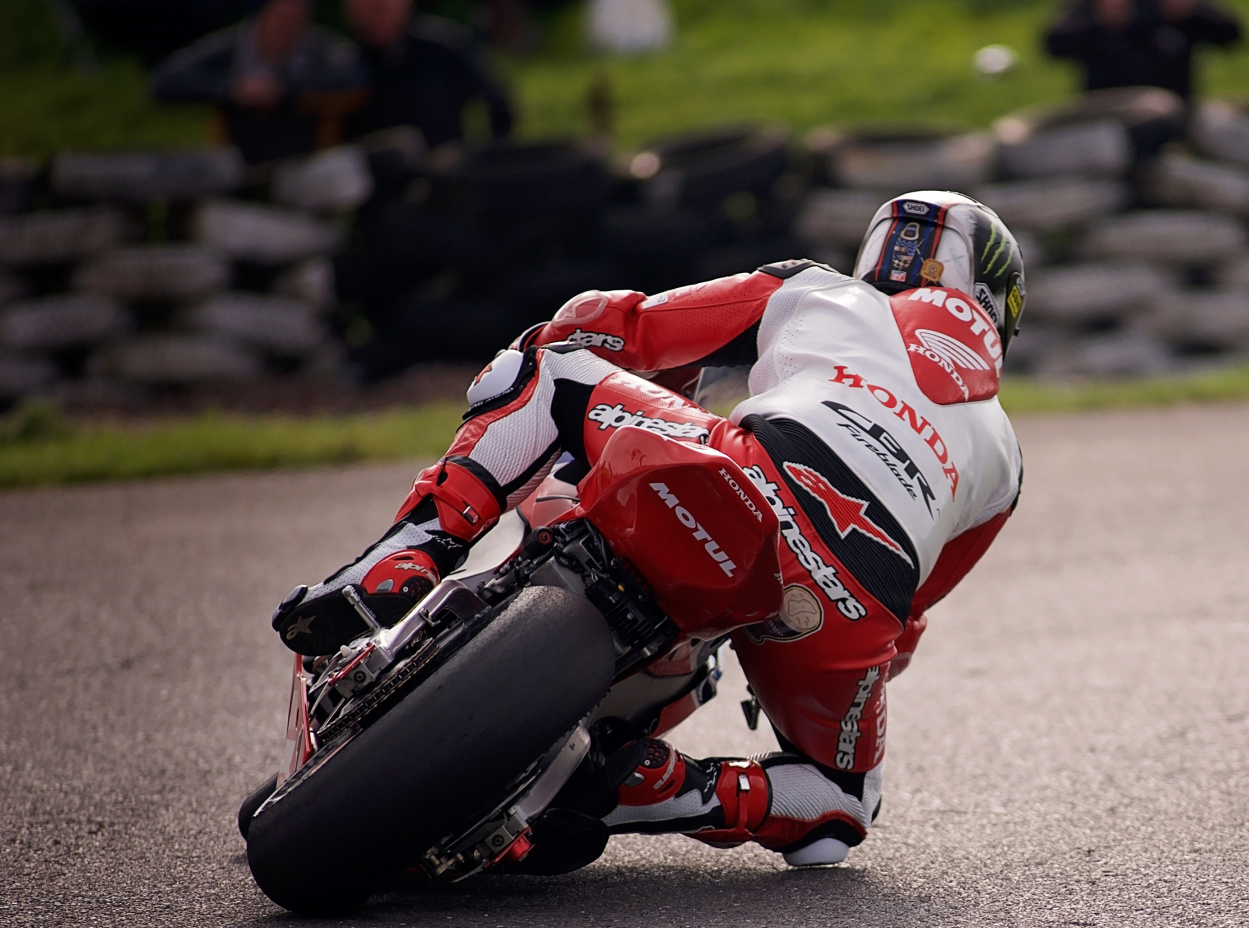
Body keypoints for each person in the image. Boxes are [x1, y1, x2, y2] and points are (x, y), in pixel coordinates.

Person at [271, 191, 1026, 870]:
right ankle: (672, 789)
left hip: (748, 471)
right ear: (997, 302)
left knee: (545, 369)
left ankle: (410, 552)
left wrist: (604, 363)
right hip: (846, 603)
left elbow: (616, 325)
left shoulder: (817, 288)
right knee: (841, 810)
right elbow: (909, 621)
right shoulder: (1006, 458)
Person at [151, 0, 367, 164]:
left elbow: (354, 76)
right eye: (282, 17)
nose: (289, 27)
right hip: (237, 163)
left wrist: (283, 90)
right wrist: (232, 89)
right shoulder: (231, 48)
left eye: (297, 19)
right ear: (261, 15)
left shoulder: (318, 49)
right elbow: (166, 80)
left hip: (302, 162)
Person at [342, 0, 516, 147]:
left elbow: (497, 102)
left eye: (380, 8)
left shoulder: (444, 46)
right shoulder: (345, 65)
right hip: (372, 170)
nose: (371, 17)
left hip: (441, 164)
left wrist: (487, 154)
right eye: (363, 9)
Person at [1043, 0, 1244, 99]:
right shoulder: (1094, 7)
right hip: (1106, 111)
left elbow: (1232, 36)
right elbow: (1053, 45)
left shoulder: (1170, 5)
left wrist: (1191, 13)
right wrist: (1099, 22)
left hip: (1174, 110)